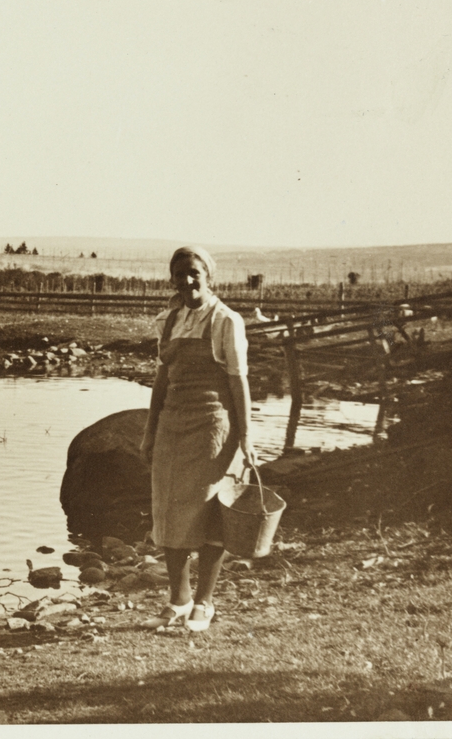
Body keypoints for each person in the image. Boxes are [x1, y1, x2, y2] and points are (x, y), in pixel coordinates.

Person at [139, 246, 256, 632]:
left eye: (194, 273)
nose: (187, 281)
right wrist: (149, 431)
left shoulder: (226, 321)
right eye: (179, 274)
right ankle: (179, 599)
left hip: (212, 427)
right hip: (173, 424)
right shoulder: (169, 320)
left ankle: (204, 602)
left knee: (209, 514)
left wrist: (246, 437)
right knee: (169, 512)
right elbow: (161, 380)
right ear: (171, 278)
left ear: (209, 276)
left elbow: (238, 382)